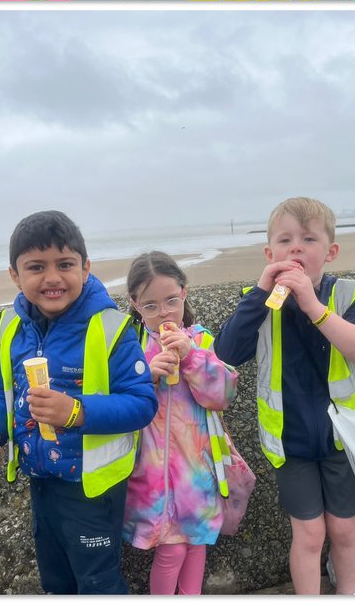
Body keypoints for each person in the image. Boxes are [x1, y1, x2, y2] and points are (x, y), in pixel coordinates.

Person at [0, 211, 157, 593]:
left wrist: (76, 411)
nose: (52, 277)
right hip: (41, 483)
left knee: (99, 584)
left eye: (65, 264)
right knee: (56, 581)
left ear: (86, 268)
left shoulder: (110, 327)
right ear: (15, 275)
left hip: (93, 490)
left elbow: (142, 403)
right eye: (36, 267)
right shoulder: (10, 327)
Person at [213, 197, 355, 595]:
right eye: (285, 241)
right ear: (270, 253)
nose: (296, 249)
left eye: (308, 239)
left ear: (330, 252)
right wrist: (261, 291)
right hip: (290, 442)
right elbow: (226, 352)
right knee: (309, 533)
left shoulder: (348, 294)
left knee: (344, 528)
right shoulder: (260, 301)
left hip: (344, 439)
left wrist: (313, 305)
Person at [123, 251, 238, 594]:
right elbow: (117, 401)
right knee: (171, 549)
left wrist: (190, 356)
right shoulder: (131, 346)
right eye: (151, 305)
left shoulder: (201, 339)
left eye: (171, 300)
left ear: (184, 293)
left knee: (197, 543)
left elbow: (222, 394)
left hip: (197, 468)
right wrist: (146, 377)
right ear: (135, 305)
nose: (164, 313)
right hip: (152, 471)